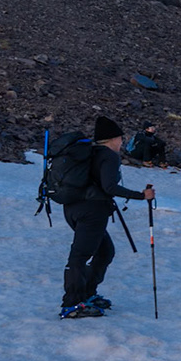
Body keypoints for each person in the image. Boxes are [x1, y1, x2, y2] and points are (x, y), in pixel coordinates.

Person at [54, 115, 154, 317]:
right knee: (80, 256)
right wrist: (141, 196)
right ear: (112, 139)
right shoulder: (108, 156)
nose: (122, 142)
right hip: (92, 211)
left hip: (73, 208)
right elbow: (109, 187)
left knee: (105, 251)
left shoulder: (89, 153)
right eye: (120, 138)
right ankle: (72, 304)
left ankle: (87, 294)